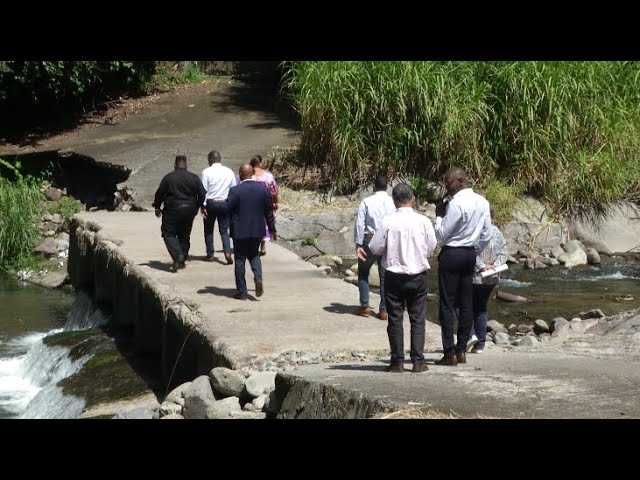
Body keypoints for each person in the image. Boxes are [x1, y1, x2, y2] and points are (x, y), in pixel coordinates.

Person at [368, 183, 437, 373]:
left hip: (394, 274)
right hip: (418, 274)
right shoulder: (423, 221)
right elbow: (431, 246)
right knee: (418, 318)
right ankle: (418, 361)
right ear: (413, 199)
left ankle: (397, 361)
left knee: (395, 319)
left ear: (394, 201)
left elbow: (375, 248)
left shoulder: (387, 221)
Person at [434, 167, 492, 366]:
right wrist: (475, 250)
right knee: (466, 303)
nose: (447, 188)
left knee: (447, 304)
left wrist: (439, 216)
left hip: (452, 254)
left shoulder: (456, 204)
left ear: (460, 181)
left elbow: (441, 233)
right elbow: (487, 233)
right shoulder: (482, 202)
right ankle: (461, 351)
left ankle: (449, 352)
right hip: (469, 254)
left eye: (448, 183)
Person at [225, 163, 277, 300]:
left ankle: (242, 292)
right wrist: (272, 229)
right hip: (257, 230)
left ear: (241, 175)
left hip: (240, 230)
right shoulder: (263, 190)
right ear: (252, 174)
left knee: (240, 259)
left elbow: (227, 208)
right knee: (254, 255)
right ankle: (258, 278)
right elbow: (269, 212)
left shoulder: (235, 191)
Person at [153, 155, 206, 272]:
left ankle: (178, 255)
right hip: (189, 209)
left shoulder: (168, 178)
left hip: (172, 209)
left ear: (175, 165)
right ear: (186, 165)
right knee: (184, 234)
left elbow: (160, 193)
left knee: (168, 234)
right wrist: (197, 206)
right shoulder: (194, 177)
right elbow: (202, 193)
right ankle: (182, 258)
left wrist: (157, 207)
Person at [354, 175, 397, 320]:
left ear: (374, 187)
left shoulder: (366, 201)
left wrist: (358, 243)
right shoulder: (393, 202)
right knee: (385, 277)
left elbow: (360, 224)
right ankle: (384, 310)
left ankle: (364, 304)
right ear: (387, 187)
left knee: (363, 272)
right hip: (387, 241)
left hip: (369, 240)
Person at [467, 219, 508, 354]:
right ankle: (480, 345)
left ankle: (471, 335)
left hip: (475, 275)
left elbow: (470, 252)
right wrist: (495, 266)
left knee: (462, 305)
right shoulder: (497, 231)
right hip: (492, 277)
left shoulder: (474, 231)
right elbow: (504, 252)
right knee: (481, 309)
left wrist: (482, 266)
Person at [201, 150, 236, 264]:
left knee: (208, 229)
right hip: (225, 203)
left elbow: (204, 190)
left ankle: (210, 254)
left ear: (211, 160)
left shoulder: (206, 172)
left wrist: (203, 206)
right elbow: (233, 189)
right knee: (224, 230)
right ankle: (227, 252)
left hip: (211, 203)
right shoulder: (229, 171)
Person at [249, 155, 279, 256]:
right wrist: (275, 203)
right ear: (259, 163)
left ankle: (253, 245)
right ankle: (262, 245)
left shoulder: (248, 174)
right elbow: (274, 191)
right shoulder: (267, 175)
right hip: (265, 203)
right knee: (264, 223)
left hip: (251, 203)